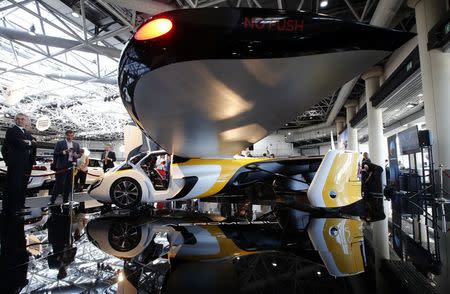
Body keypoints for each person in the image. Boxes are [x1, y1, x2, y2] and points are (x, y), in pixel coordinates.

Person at [1, 113, 36, 214]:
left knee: (23, 186)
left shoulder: (27, 133)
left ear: (26, 121)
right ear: (15, 120)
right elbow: (19, 144)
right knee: (14, 186)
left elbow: (34, 143)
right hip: (16, 164)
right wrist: (30, 143)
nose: (20, 121)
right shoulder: (12, 131)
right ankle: (12, 207)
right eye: (18, 119)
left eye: (22, 119)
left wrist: (29, 142)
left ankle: (21, 205)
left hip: (27, 164)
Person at [49, 130, 80, 205]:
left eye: (71, 135)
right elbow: (55, 153)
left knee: (69, 184)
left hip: (71, 165)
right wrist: (64, 152)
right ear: (66, 135)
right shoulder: (60, 143)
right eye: (68, 135)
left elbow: (79, 155)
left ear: (73, 136)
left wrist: (76, 155)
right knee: (59, 183)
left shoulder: (76, 144)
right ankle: (52, 200)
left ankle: (65, 200)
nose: (70, 137)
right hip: (62, 166)